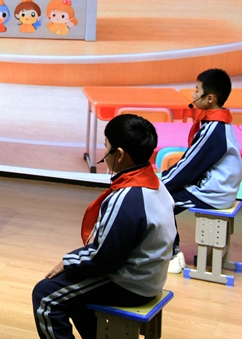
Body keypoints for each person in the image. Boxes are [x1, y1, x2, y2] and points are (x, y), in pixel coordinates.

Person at [32, 114, 176, 339]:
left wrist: (69, 262)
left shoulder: (127, 197)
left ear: (119, 154)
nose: (104, 152)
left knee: (45, 296)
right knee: (72, 292)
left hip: (131, 284)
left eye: (106, 146)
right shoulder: (157, 184)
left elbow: (105, 259)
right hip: (151, 277)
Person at [160, 68, 242, 273]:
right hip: (219, 189)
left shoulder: (214, 128)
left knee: (158, 201)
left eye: (197, 90)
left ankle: (172, 255)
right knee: (162, 191)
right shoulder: (219, 122)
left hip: (213, 192)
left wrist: (158, 183)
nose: (193, 94)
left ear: (210, 98)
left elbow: (188, 168)